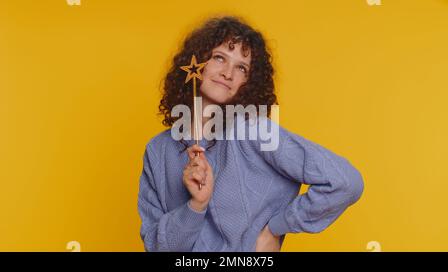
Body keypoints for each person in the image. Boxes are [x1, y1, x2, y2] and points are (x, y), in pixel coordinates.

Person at [138, 16, 364, 252]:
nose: (228, 73)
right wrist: (197, 204)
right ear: (196, 62)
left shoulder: (254, 132)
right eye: (219, 58)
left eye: (241, 67)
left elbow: (345, 181)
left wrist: (275, 228)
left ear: (248, 82)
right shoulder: (158, 149)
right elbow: (157, 247)